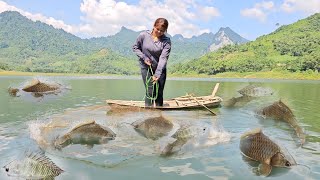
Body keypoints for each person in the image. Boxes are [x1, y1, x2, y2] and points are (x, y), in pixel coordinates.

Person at [132, 18, 171, 107]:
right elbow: (135, 47)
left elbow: (163, 58)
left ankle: (159, 115)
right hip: (146, 67)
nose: (159, 32)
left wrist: (157, 73)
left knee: (159, 92)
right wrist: (144, 57)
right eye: (158, 29)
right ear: (154, 26)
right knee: (150, 91)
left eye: (162, 31)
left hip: (160, 69)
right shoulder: (143, 35)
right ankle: (148, 115)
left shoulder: (166, 41)